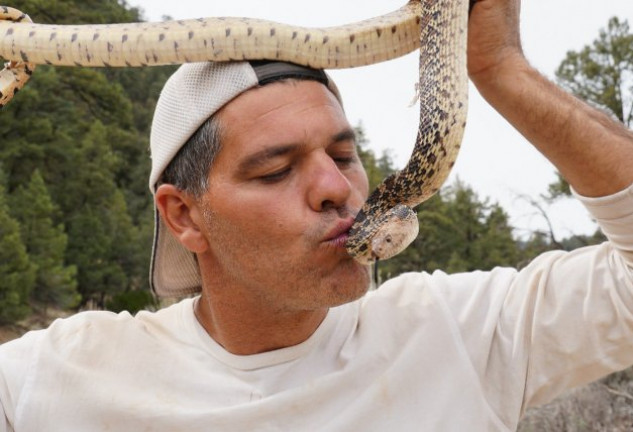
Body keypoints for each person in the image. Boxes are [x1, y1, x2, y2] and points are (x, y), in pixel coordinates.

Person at [1, 0, 633, 430]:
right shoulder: (56, 379)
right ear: (184, 216)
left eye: (344, 153)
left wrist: (503, 71)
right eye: (275, 170)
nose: (338, 188)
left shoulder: (458, 332)